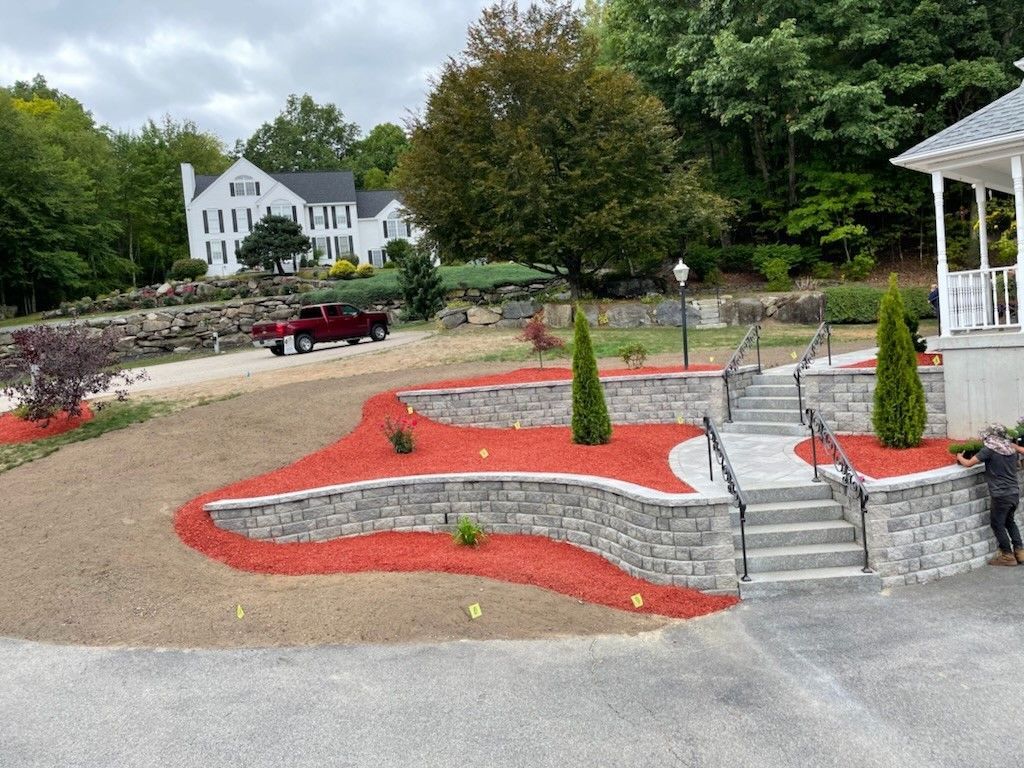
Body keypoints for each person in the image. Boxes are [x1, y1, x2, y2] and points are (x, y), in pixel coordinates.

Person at [957, 424, 1024, 566]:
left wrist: (959, 457)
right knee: (1010, 521)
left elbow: (969, 463)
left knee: (997, 524)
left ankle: (1007, 555)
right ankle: (1020, 552)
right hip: (1014, 493)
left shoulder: (989, 450)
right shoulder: (1011, 449)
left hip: (1000, 495)